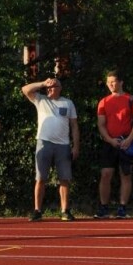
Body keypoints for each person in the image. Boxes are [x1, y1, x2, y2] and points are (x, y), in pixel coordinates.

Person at [22, 77, 80, 221]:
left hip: (63, 145)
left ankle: (65, 210)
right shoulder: (40, 100)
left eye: (54, 86)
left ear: (60, 88)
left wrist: (76, 145)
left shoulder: (68, 103)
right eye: (48, 86)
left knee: (64, 179)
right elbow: (25, 89)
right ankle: (37, 210)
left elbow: (74, 126)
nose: (50, 88)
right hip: (44, 142)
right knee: (40, 178)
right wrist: (42, 83)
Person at [95, 69, 133, 219]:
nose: (110, 84)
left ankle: (122, 208)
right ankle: (104, 207)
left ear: (121, 82)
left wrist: (129, 140)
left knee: (126, 175)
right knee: (105, 174)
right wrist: (110, 140)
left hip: (127, 142)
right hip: (110, 143)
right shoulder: (103, 102)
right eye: (108, 82)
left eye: (113, 81)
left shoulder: (132, 99)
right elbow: (101, 124)